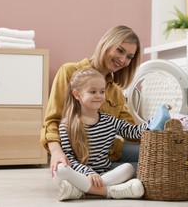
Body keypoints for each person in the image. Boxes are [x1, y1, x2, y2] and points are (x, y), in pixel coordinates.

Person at [40, 25, 142, 176]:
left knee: (157, 160)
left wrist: (162, 127)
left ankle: (105, 181)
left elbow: (131, 131)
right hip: (77, 158)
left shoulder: (115, 91)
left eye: (129, 57)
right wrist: (56, 152)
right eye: (120, 50)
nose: (123, 60)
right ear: (106, 44)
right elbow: (52, 120)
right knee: (146, 169)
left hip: (109, 153)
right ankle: (103, 181)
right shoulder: (69, 72)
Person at [54, 68, 148, 200]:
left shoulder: (109, 120)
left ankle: (79, 190)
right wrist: (89, 173)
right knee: (60, 169)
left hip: (105, 174)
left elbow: (133, 132)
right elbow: (69, 157)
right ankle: (110, 192)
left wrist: (155, 121)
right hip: (80, 173)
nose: (99, 95)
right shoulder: (67, 124)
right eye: (92, 91)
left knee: (128, 168)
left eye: (102, 91)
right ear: (77, 94)